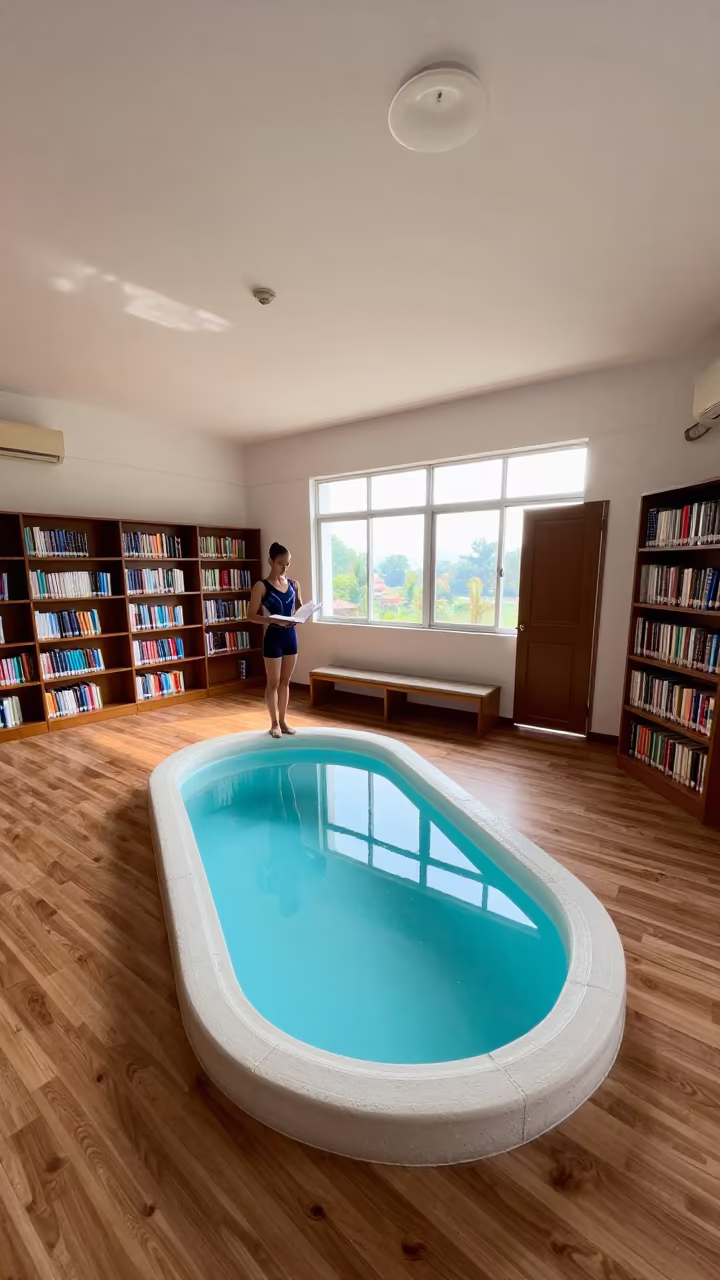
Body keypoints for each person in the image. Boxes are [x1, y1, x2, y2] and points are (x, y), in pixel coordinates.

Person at [248, 542, 302, 738]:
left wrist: (304, 613)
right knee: (273, 682)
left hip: (290, 637)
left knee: (285, 682)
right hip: (273, 638)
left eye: (287, 564)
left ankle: (284, 721)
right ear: (271, 561)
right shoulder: (261, 586)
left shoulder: (294, 584)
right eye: (281, 563)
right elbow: (251, 615)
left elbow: (299, 607)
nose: (284, 568)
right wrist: (271, 620)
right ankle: (274, 724)